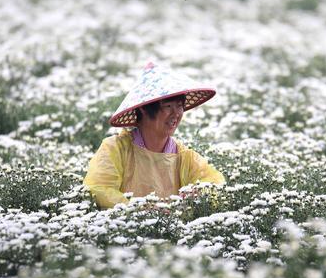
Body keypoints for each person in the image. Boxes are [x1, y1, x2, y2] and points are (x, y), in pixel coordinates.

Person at [84, 62, 225, 209]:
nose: (176, 114)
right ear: (144, 109)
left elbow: (215, 183)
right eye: (168, 106)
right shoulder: (116, 149)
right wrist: (139, 208)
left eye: (179, 106)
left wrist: (200, 192)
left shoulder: (184, 156)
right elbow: (98, 188)